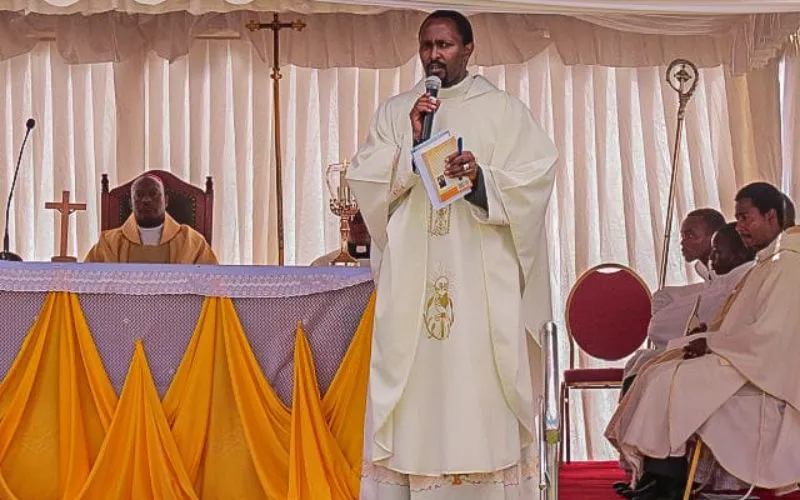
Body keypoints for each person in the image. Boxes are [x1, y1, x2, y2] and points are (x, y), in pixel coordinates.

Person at [346, 9, 558, 499]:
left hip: (480, 280)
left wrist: (481, 180)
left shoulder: (503, 112)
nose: (433, 55)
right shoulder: (398, 112)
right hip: (413, 279)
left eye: (444, 45)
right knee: (414, 387)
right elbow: (367, 179)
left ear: (468, 50)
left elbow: (534, 179)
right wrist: (412, 147)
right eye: (427, 46)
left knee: (477, 386)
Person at [605, 182, 800, 499]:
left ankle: (668, 484)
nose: (740, 226)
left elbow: (770, 336)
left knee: (669, 380)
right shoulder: (772, 260)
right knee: (659, 371)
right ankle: (660, 478)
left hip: (764, 374)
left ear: (771, 217)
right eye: (738, 218)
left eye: (745, 217)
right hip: (746, 358)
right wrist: (710, 338)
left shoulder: (788, 264)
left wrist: (712, 343)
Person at [620, 209, 726, 391]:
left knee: (648, 363)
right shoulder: (706, 274)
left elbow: (658, 327)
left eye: (690, 235)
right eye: (682, 236)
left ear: (714, 237)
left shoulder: (729, 278)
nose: (683, 242)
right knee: (641, 359)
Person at [85, 173, 217, 264]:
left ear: (166, 201)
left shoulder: (191, 242)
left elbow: (214, 285)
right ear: (131, 204)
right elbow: (86, 283)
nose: (146, 200)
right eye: (139, 195)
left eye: (154, 194)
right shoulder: (109, 243)